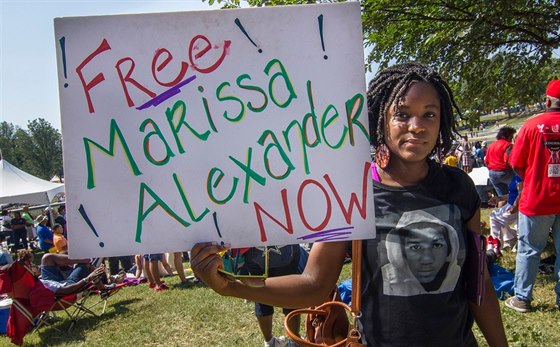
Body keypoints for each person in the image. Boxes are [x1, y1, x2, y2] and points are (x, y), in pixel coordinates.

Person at [190, 62, 507, 346]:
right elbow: (313, 283)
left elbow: (479, 283)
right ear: (380, 119)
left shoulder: (459, 188)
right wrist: (230, 285)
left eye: (429, 113)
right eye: (402, 113)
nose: (417, 125)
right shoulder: (353, 193)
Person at [505, 79, 560, 313]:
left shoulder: (531, 125)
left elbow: (516, 162)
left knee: (529, 249)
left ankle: (522, 299)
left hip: (537, 198)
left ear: (547, 101)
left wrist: (533, 175)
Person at [488, 174, 522, 254]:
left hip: (517, 206)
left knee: (494, 216)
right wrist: (500, 198)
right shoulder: (517, 174)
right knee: (498, 216)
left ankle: (495, 247)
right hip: (516, 205)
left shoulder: (521, 174)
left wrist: (515, 206)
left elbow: (521, 193)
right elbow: (514, 193)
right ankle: (510, 238)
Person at [485, 126, 516, 205]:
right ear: (507, 136)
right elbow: (508, 160)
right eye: (511, 137)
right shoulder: (508, 145)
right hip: (505, 171)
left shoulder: (491, 146)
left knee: (501, 197)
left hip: (492, 172)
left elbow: (486, 161)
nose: (511, 139)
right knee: (516, 192)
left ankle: (501, 215)